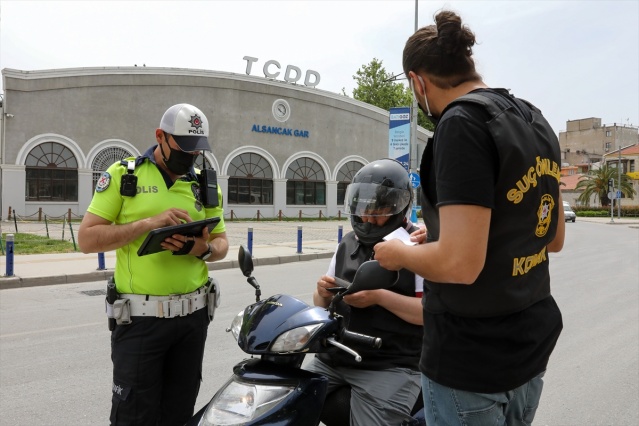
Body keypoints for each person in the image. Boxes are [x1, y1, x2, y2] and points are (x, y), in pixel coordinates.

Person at [373, 10, 566, 426]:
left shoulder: (460, 124)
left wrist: (398, 255)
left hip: (473, 355)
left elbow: (461, 264)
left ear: (418, 82)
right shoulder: (533, 119)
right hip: (529, 342)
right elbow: (551, 237)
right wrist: (441, 234)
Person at [78, 103, 229, 425]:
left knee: (179, 411)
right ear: (160, 136)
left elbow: (222, 244)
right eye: (184, 148)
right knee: (134, 414)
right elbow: (87, 240)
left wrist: (202, 249)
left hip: (193, 321)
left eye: (197, 150)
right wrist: (148, 224)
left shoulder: (204, 182)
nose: (191, 157)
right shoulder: (124, 175)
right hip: (140, 321)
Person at [305, 158, 424, 426]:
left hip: (390, 364)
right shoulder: (347, 243)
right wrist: (323, 292)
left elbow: (427, 313)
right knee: (289, 401)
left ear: (398, 207)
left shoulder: (416, 245)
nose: (368, 217)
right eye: (363, 209)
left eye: (378, 210)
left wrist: (379, 297)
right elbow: (320, 303)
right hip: (335, 357)